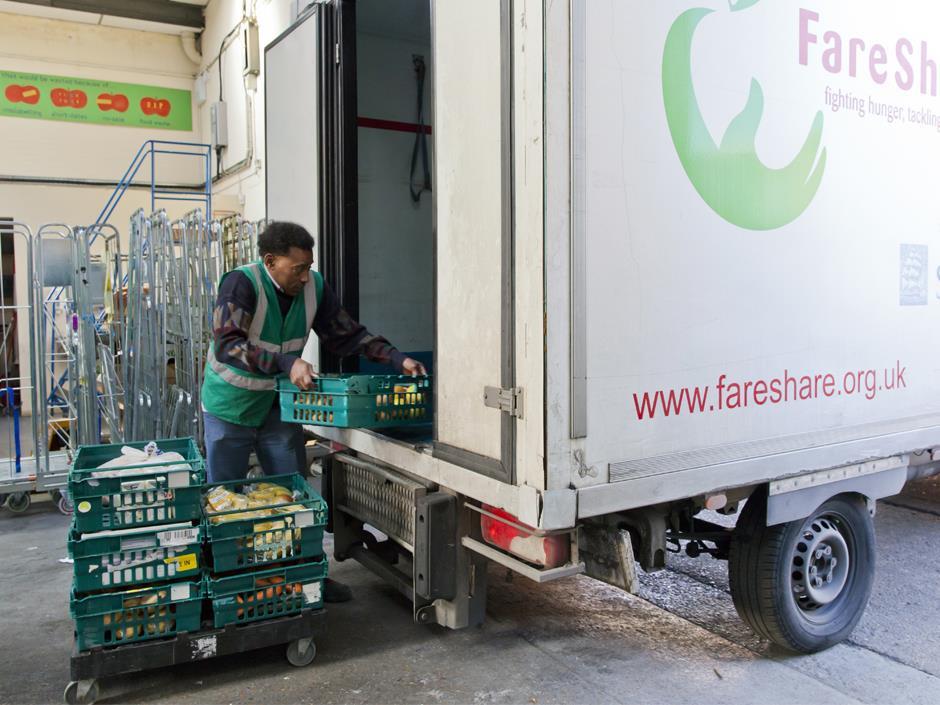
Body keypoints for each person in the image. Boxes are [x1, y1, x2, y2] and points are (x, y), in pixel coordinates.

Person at [200, 221, 427, 602]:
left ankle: (305, 580)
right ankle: (228, 587)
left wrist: (394, 357)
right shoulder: (241, 284)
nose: (305, 277)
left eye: (309, 267)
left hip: (279, 407)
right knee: (226, 504)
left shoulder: (314, 288)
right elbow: (227, 345)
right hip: (229, 407)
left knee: (293, 501)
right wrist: (287, 364)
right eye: (298, 269)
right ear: (270, 261)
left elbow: (347, 335)